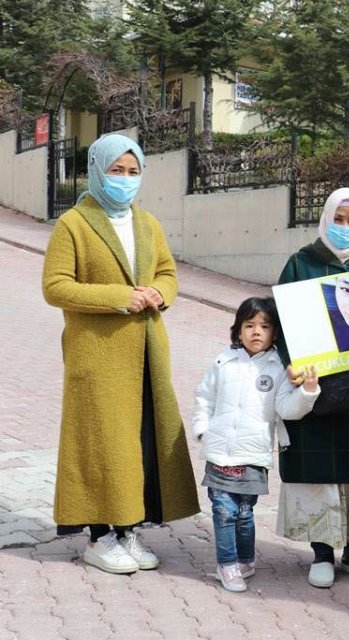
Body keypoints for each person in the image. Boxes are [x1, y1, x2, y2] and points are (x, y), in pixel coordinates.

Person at [42, 133, 200, 574]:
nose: (125, 180)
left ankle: (127, 531)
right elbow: (55, 286)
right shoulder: (73, 223)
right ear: (97, 171)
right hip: (98, 356)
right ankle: (98, 538)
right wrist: (120, 296)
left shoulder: (147, 223)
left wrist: (159, 293)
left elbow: (168, 272)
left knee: (138, 443)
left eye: (133, 172)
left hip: (147, 351)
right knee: (100, 443)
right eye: (117, 171)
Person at [276, 187, 349, 590]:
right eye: (338, 219)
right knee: (319, 467)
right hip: (316, 388)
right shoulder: (301, 263)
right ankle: (322, 553)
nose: (345, 228)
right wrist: (295, 364)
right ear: (326, 218)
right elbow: (281, 323)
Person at [192, 297, 321, 592]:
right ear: (238, 331)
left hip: (253, 455)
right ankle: (227, 565)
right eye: (248, 325)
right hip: (220, 452)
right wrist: (202, 430)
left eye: (264, 326)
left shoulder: (278, 368)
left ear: (275, 332)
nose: (256, 332)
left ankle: (246, 560)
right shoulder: (223, 361)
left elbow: (288, 409)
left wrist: (309, 391)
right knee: (223, 509)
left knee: (243, 512)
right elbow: (204, 397)